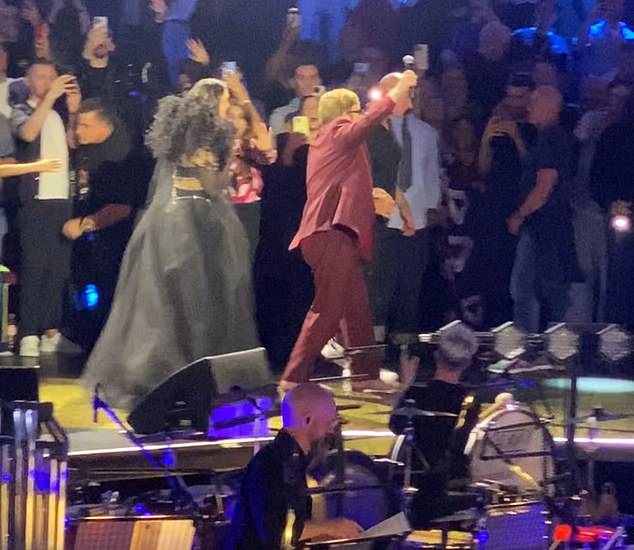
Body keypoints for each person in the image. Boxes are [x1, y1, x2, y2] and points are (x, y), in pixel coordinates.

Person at [81, 79, 258, 411]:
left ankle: (160, 375)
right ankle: (194, 376)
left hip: (166, 220)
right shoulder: (214, 137)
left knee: (163, 304)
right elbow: (211, 185)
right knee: (200, 304)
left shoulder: (180, 134)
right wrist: (230, 160)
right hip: (196, 224)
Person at [279, 70, 418, 391]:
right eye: (355, 110)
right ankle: (293, 378)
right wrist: (397, 89)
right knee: (327, 308)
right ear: (346, 113)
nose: (359, 116)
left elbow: (345, 187)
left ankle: (364, 375)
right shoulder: (337, 131)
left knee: (356, 309)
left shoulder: (334, 147)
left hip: (335, 235)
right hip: (330, 234)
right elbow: (363, 124)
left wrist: (375, 200)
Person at [228, 383, 362, 549]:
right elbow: (276, 533)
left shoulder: (292, 463)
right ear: (307, 420)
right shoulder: (271, 465)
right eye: (329, 419)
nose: (332, 428)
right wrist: (330, 527)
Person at [63, 98, 148, 350]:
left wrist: (86, 223)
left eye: (85, 126)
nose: (79, 132)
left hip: (113, 241)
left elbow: (122, 207)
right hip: (90, 241)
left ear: (105, 125)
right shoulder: (90, 147)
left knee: (107, 294)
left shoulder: (121, 155)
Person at [11, 58, 82, 357]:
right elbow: (27, 134)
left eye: (52, 77)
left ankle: (51, 330)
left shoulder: (57, 113)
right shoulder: (21, 110)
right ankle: (28, 332)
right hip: (35, 199)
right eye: (42, 77)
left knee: (58, 268)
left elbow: (74, 142)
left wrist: (74, 109)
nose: (48, 82)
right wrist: (51, 97)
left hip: (61, 198)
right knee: (34, 265)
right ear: (29, 81)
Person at [366, 73, 441, 346]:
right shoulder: (376, 130)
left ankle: (405, 349)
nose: (410, 97)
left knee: (410, 286)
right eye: (405, 91)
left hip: (417, 221)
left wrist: (432, 207)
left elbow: (431, 175)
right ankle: (372, 349)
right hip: (382, 219)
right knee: (379, 286)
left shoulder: (426, 132)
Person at [390, 322, 480, 527]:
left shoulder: (416, 395)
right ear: (467, 363)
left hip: (416, 483)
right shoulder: (470, 402)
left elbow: (395, 425)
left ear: (437, 356)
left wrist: (405, 386)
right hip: (451, 482)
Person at [507, 85, 578, 332]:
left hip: (543, 227)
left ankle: (526, 348)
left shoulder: (550, 139)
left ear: (549, 106)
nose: (528, 108)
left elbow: (544, 185)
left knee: (526, 288)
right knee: (546, 288)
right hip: (549, 226)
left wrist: (520, 214)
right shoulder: (553, 138)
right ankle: (555, 350)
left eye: (533, 102)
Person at [269, 60, 322, 138]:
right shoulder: (280, 115)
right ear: (292, 82)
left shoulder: (331, 109)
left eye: (313, 77)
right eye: (301, 78)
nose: (308, 82)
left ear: (320, 80)